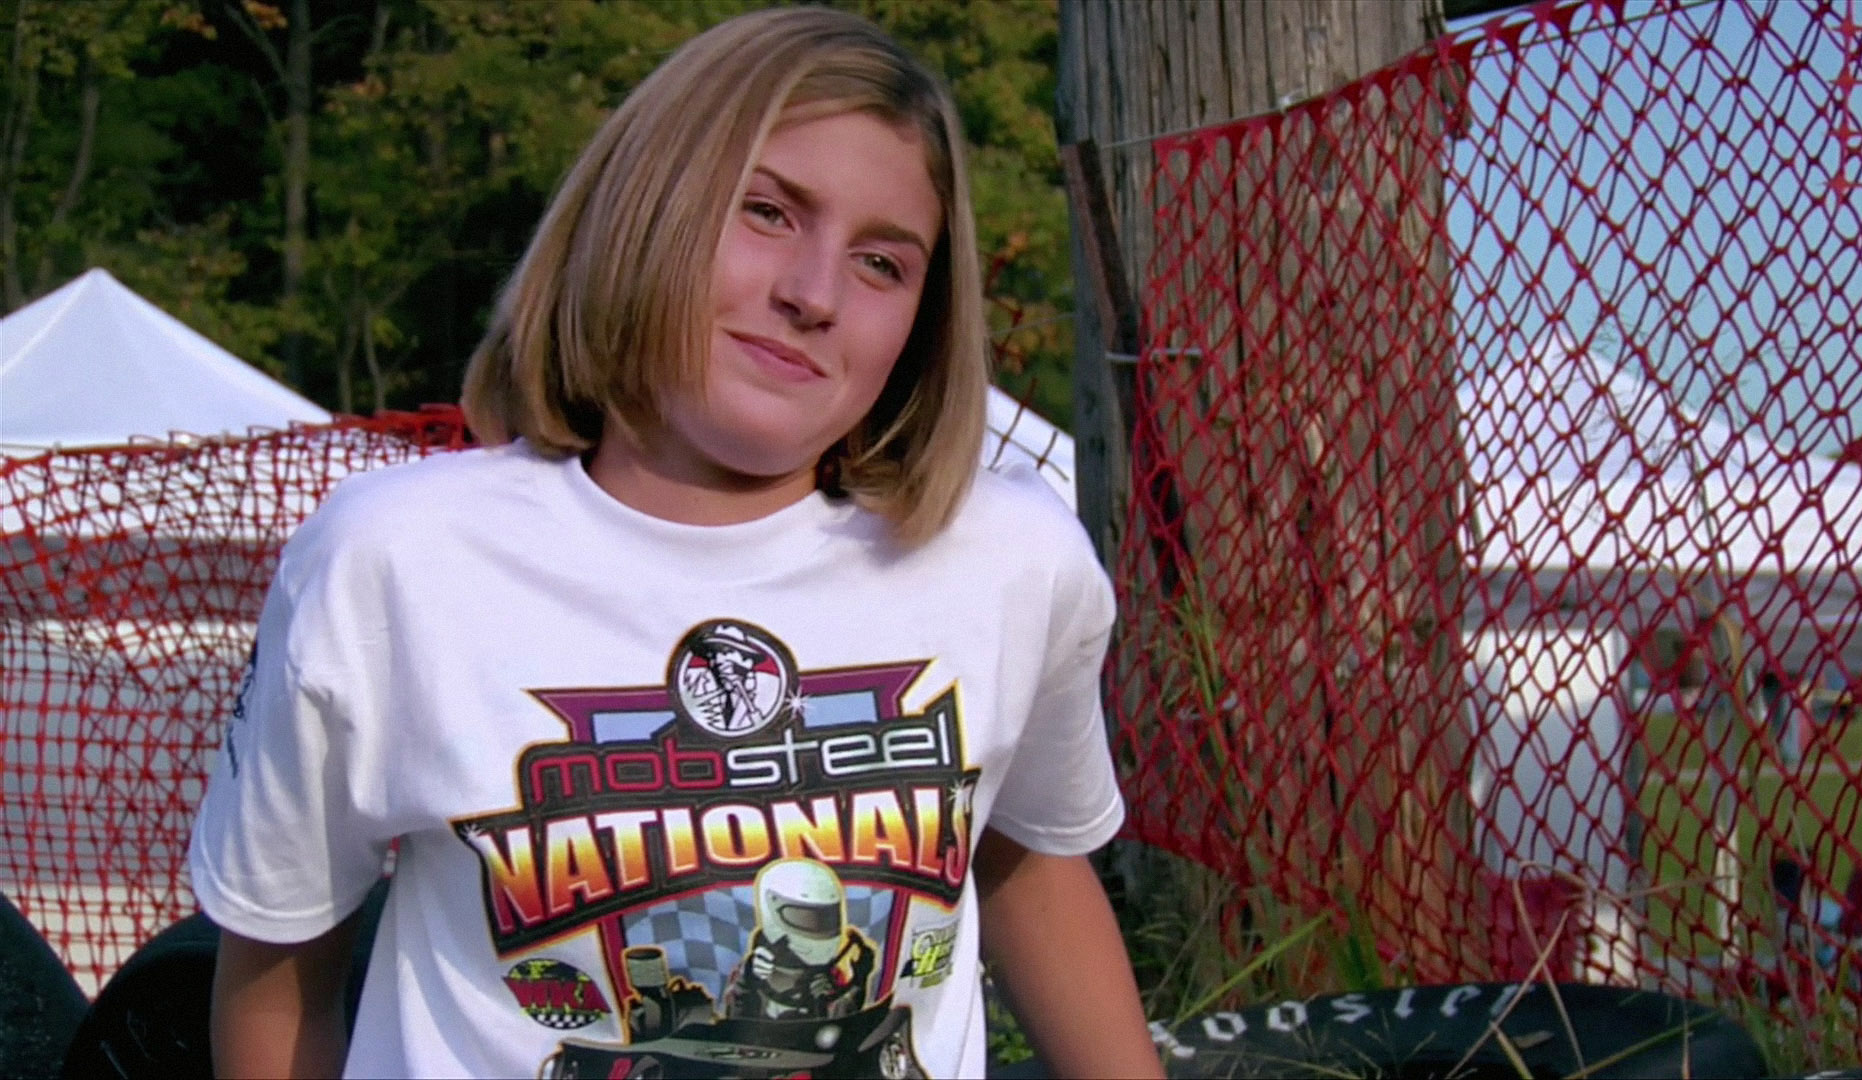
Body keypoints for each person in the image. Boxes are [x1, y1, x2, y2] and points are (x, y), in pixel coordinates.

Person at [187, 7, 1162, 1079]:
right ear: (645, 206)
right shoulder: (393, 565)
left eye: (883, 264)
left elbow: (1027, 862)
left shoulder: (1009, 560)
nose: (813, 294)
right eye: (767, 212)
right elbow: (279, 973)